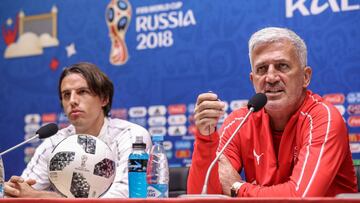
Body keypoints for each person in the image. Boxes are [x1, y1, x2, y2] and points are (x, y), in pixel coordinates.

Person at [187, 27, 357, 197]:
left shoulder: (323, 118)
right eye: (261, 69)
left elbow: (299, 198)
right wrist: (206, 139)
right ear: (253, 80)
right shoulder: (239, 122)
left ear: (306, 77)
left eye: (282, 66)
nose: (271, 77)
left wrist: (236, 187)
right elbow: (202, 197)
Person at [4, 62, 152, 198]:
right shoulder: (54, 143)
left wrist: (43, 197)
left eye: (82, 92)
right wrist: (14, 190)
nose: (72, 101)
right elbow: (24, 192)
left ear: (104, 99)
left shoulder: (131, 136)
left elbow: (123, 196)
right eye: (66, 95)